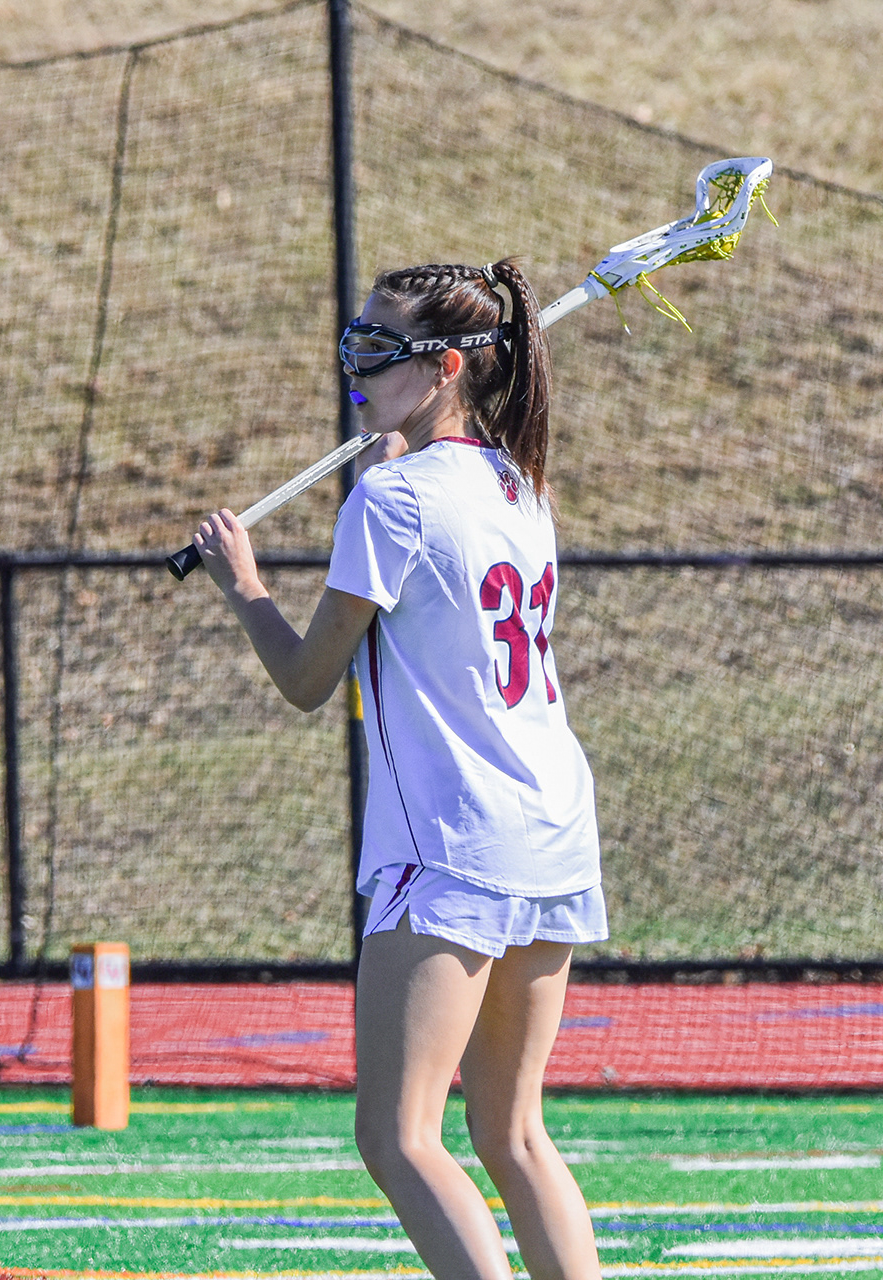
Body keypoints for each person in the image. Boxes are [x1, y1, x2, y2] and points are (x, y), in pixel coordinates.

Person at [194, 260, 605, 1280]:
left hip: (452, 836)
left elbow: (306, 678)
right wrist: (397, 455)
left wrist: (244, 585)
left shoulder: (390, 499)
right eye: (354, 344)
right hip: (551, 824)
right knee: (513, 1132)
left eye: (380, 351)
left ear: (447, 367)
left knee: (398, 1135)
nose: (357, 369)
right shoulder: (520, 483)